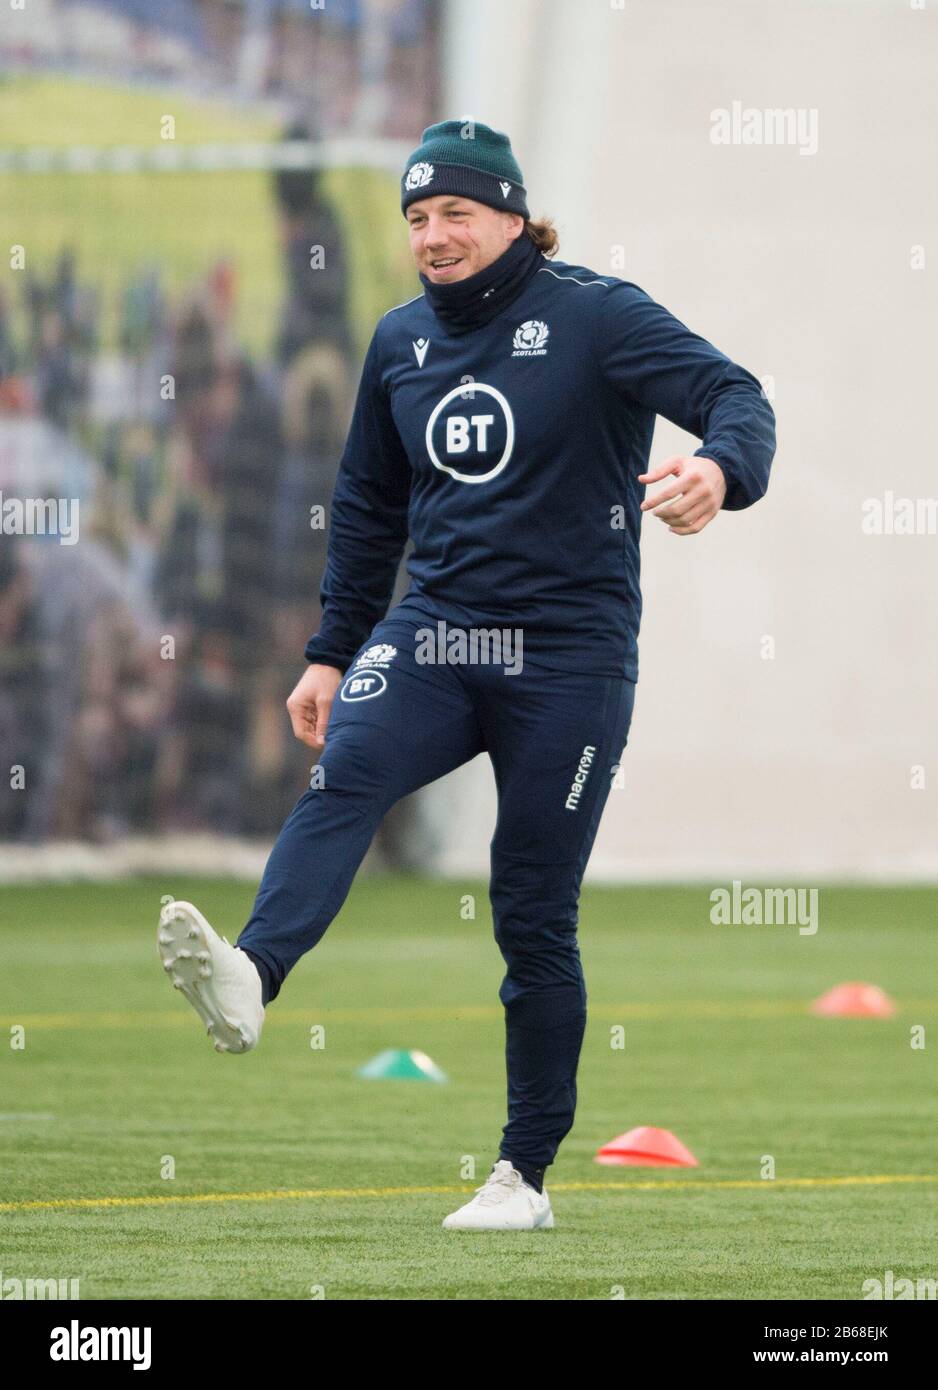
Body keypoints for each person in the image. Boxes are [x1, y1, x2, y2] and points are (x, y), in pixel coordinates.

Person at [158, 119, 776, 1231]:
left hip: (571, 657)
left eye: (454, 214)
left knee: (530, 911)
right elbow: (362, 508)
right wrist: (332, 650)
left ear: (509, 215)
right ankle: (251, 973)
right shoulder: (397, 341)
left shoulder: (597, 315)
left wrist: (717, 471)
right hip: (437, 636)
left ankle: (520, 1178)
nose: (432, 237)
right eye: (415, 219)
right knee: (346, 771)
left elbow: (737, 395)